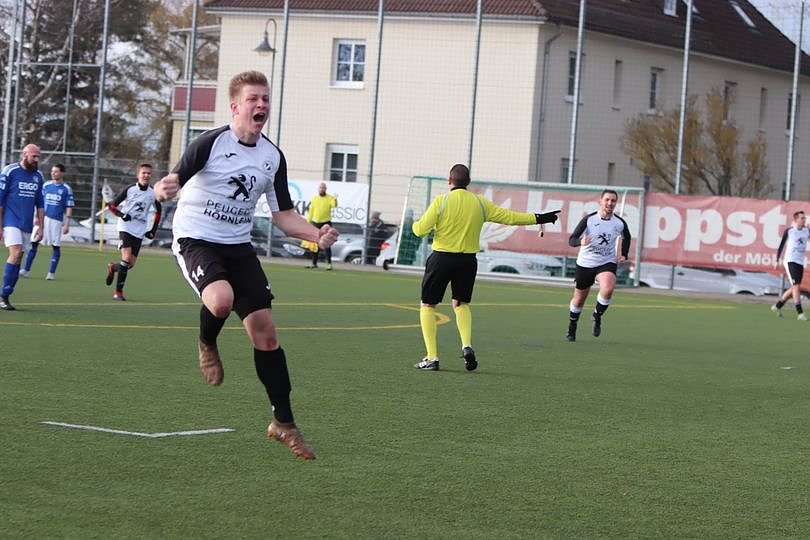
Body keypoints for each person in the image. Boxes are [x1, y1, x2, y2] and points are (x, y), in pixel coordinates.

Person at [153, 70, 339, 461]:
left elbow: (284, 215)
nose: (261, 106)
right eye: (253, 99)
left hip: (238, 246)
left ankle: (284, 424)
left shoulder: (272, 157)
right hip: (197, 240)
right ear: (235, 106)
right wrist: (163, 187)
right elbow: (174, 178)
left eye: (266, 99)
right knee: (221, 300)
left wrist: (315, 235)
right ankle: (207, 341)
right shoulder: (209, 143)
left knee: (266, 333)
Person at [411, 163, 560, 371]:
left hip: (441, 258)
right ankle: (466, 345)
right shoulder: (479, 203)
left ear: (449, 181)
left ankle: (432, 357)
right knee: (461, 304)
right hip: (467, 261)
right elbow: (510, 217)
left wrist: (416, 224)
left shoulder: (441, 201)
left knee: (427, 305)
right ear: (469, 182)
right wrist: (539, 218)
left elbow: (419, 231)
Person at [565, 189, 631, 342]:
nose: (610, 203)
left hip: (606, 261)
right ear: (600, 201)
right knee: (579, 298)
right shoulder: (589, 219)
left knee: (608, 288)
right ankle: (572, 326)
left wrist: (624, 254)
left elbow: (627, 237)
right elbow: (572, 239)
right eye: (607, 200)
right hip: (586, 263)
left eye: (613, 200)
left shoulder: (619, 223)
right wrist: (579, 242)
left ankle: (597, 315)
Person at [104, 163, 162, 301]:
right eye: (144, 173)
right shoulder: (130, 189)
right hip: (125, 227)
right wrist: (122, 215)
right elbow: (112, 206)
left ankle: (113, 267)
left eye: (149, 173)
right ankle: (118, 293)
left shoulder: (152, 193)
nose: (146, 175)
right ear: (138, 175)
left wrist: (153, 230)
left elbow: (159, 211)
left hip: (139, 229)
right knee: (126, 258)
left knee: (130, 264)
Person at [0, 144, 45, 311]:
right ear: (24, 154)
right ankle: (3, 296)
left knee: (19, 258)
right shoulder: (9, 171)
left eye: (38, 156)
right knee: (16, 252)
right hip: (10, 220)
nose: (37, 160)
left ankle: (6, 293)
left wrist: (41, 227)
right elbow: (0, 199)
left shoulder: (39, 176)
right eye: (34, 156)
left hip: (26, 224)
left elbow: (40, 203)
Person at [22, 163, 74, 280]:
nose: (53, 173)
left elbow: (69, 206)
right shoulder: (46, 186)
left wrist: (67, 224)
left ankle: (51, 273)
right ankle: (26, 270)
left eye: (56, 171)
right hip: (43, 219)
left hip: (56, 221)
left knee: (55, 246)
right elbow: (39, 202)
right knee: (34, 243)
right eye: (52, 171)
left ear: (62, 173)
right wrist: (36, 216)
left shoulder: (66, 189)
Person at [772, 210, 809, 320]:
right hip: (790, 261)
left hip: (800, 262)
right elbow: (781, 245)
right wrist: (776, 259)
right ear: (796, 220)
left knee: (795, 287)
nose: (804, 220)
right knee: (796, 286)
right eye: (802, 218)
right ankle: (800, 313)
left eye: (804, 218)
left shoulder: (806, 231)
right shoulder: (790, 231)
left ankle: (778, 306)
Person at [306, 182, 337, 270]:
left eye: (323, 188)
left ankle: (329, 264)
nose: (322, 189)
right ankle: (314, 263)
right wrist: (308, 222)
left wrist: (335, 199)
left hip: (326, 223)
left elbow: (334, 205)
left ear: (325, 189)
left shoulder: (330, 198)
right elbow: (311, 211)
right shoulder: (315, 198)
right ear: (318, 189)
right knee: (315, 244)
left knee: (327, 243)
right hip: (316, 222)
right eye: (321, 188)